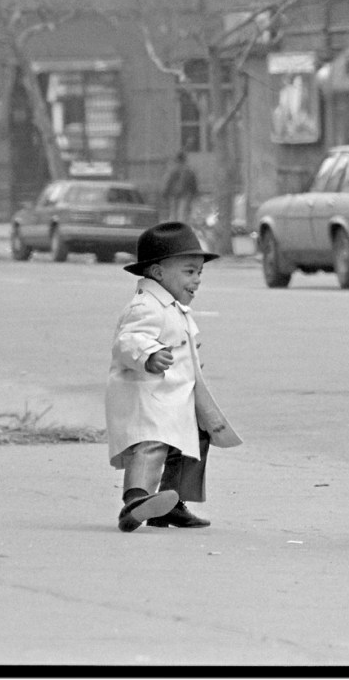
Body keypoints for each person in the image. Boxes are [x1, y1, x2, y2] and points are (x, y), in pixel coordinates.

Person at [105, 221, 242, 532]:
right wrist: (150, 356)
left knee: (194, 440)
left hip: (176, 394)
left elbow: (180, 346)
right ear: (157, 273)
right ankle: (136, 500)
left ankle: (172, 502)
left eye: (199, 273)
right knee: (152, 443)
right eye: (189, 272)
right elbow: (128, 341)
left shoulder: (171, 307)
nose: (197, 280)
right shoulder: (145, 306)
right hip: (150, 396)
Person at [162, 151, 199, 223]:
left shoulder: (172, 171)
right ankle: (180, 226)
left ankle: (175, 227)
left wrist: (165, 193)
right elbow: (193, 184)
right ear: (185, 160)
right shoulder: (189, 171)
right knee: (182, 213)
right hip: (185, 195)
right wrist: (195, 194)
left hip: (175, 194)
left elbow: (168, 183)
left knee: (174, 213)